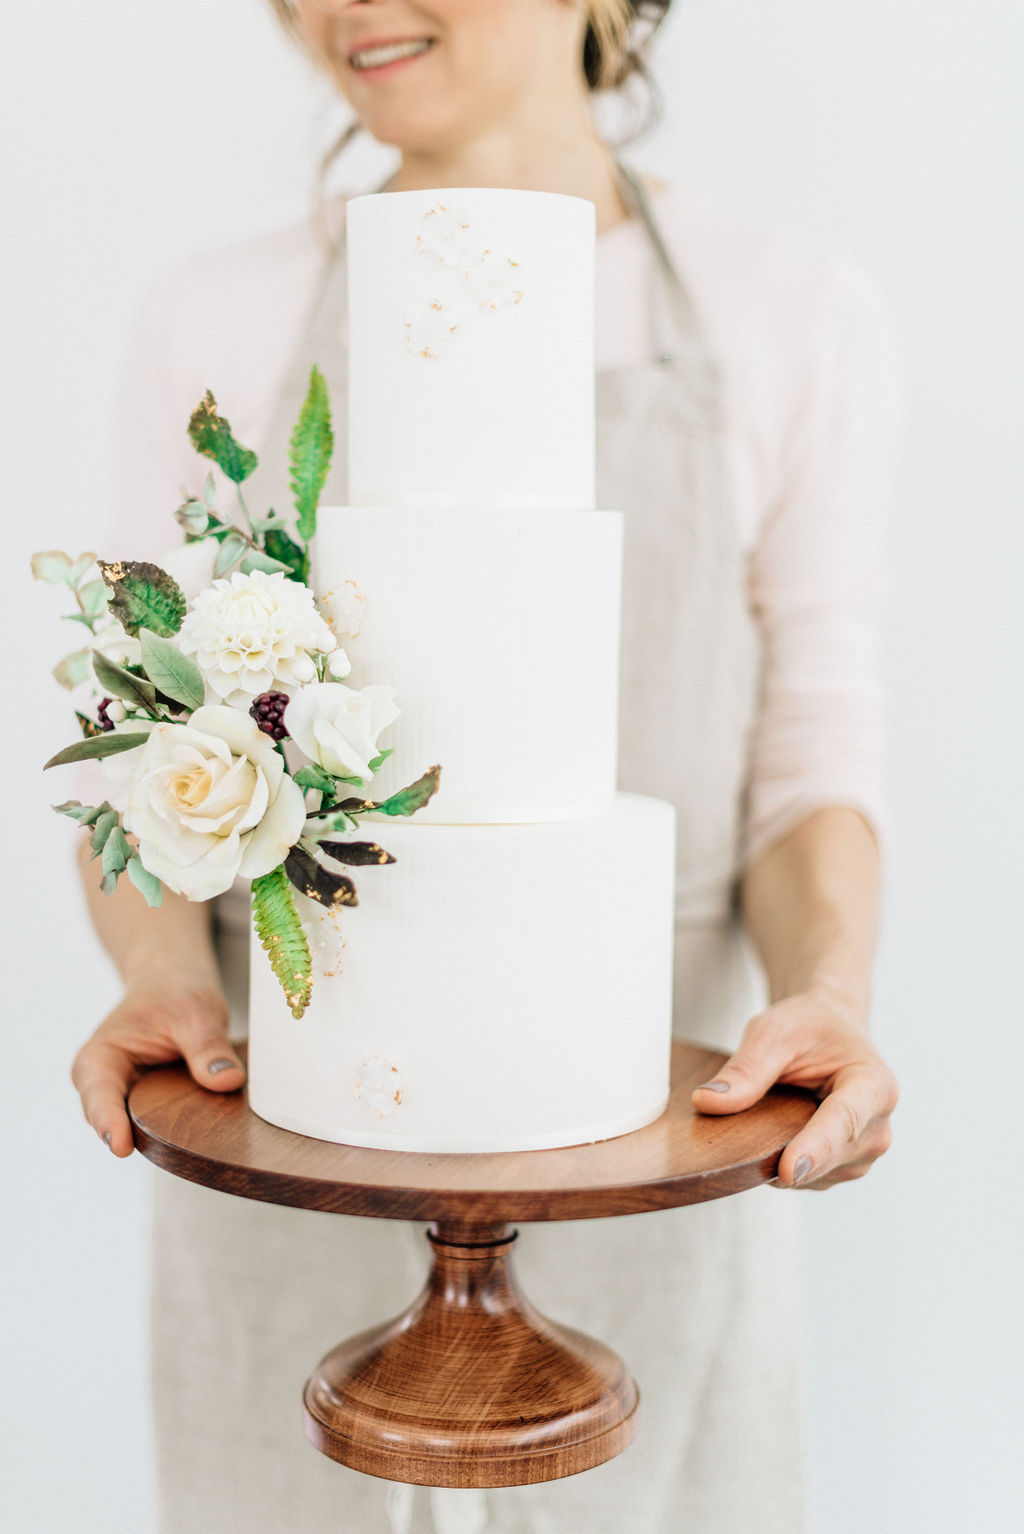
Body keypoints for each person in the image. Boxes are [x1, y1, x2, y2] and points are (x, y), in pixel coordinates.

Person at [71, 2, 901, 1530]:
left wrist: (832, 997)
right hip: (296, 1126)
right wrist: (155, 964)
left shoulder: (783, 308)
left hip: (648, 1134)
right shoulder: (219, 319)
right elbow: (141, 748)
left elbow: (805, 754)